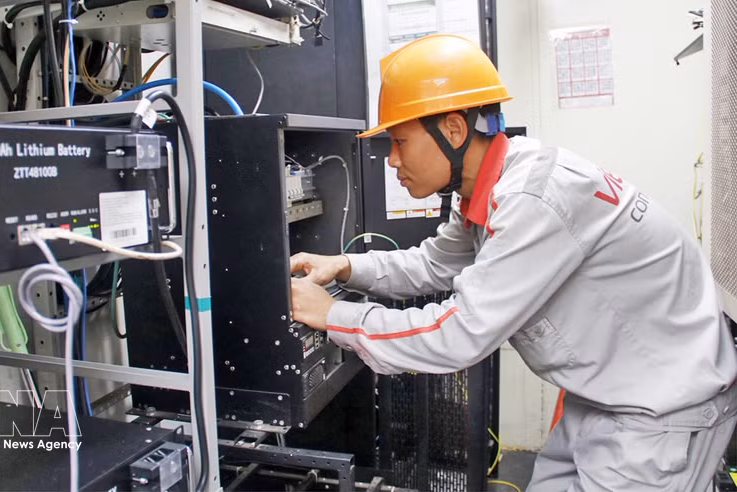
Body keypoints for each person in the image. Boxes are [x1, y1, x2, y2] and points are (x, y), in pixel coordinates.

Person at [289, 34, 737, 491]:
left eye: (400, 141)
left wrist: (333, 315)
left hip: (659, 413)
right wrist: (344, 266)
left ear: (453, 131)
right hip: (604, 397)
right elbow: (431, 264)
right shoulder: (494, 186)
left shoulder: (532, 198)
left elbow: (459, 333)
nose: (392, 160)